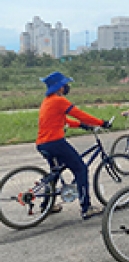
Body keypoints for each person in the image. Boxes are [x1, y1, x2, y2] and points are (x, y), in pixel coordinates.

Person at [37, 71, 112, 220]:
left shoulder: (47, 101)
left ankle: (47, 205)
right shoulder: (59, 100)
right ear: (59, 87)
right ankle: (86, 208)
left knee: (55, 173)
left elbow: (65, 120)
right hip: (56, 142)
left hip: (43, 144)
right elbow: (79, 113)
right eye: (65, 85)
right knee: (81, 169)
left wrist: (82, 126)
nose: (67, 87)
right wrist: (101, 122)